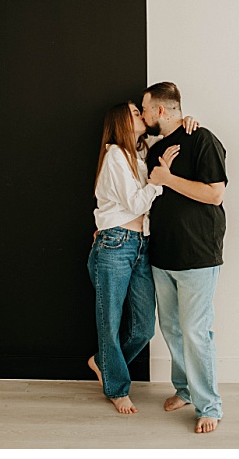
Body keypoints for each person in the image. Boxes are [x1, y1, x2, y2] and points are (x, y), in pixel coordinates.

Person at [86, 101, 198, 413]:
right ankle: (117, 388)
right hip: (115, 245)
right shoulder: (115, 155)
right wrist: (158, 182)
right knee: (109, 321)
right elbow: (136, 204)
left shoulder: (138, 155)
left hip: (139, 244)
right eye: (136, 112)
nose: (142, 115)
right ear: (121, 121)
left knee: (143, 327)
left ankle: (102, 362)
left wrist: (187, 121)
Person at [141, 82, 229, 433]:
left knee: (195, 331)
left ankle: (209, 406)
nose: (144, 115)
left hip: (197, 254)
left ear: (161, 110)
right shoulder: (155, 149)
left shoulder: (203, 139)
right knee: (173, 329)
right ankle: (185, 390)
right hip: (162, 254)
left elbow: (214, 194)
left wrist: (168, 177)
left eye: (146, 109)